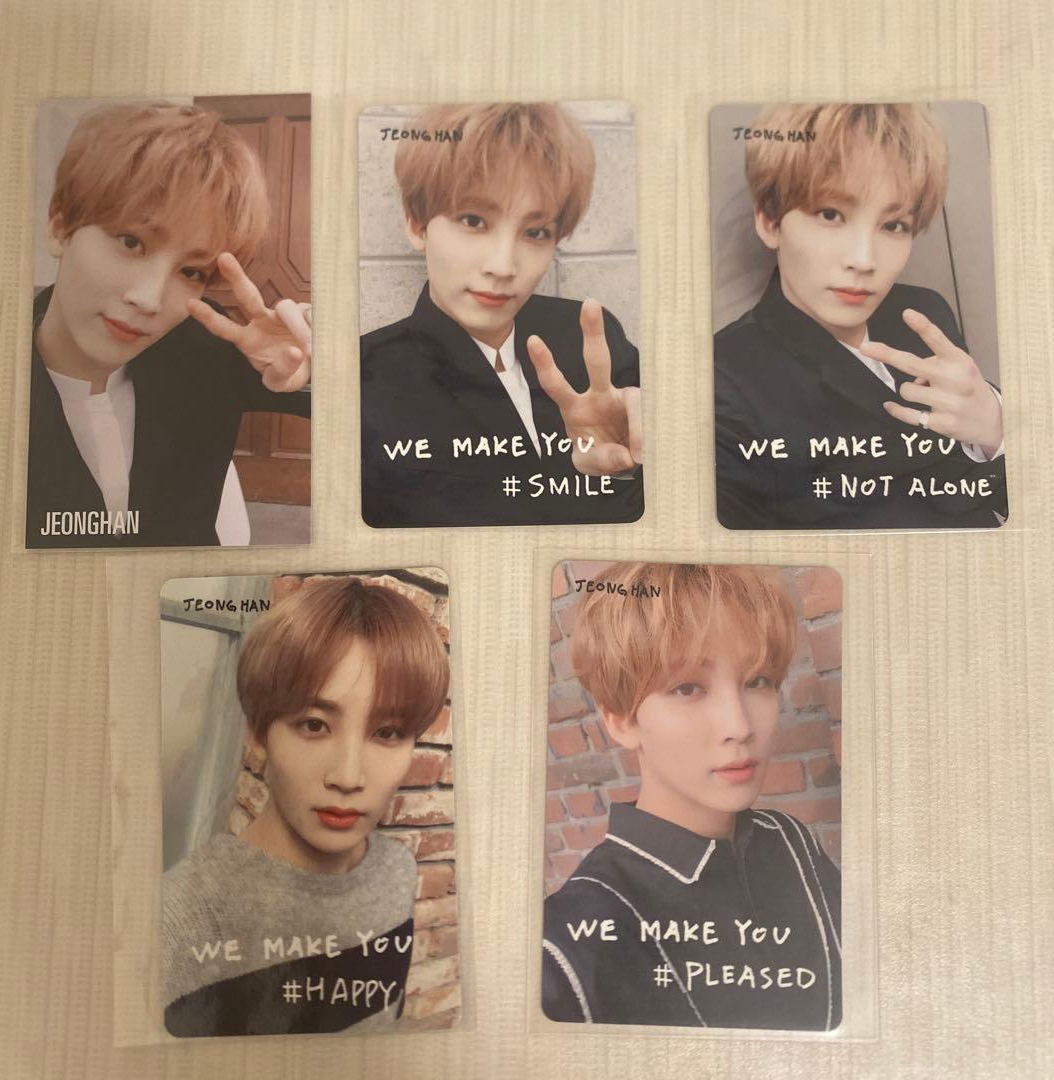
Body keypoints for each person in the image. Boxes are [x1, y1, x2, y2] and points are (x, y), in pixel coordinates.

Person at [542, 562, 841, 1030]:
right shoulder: (566, 949)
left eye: (757, 681)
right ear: (621, 719)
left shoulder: (791, 841)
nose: (739, 726)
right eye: (687, 688)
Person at [162, 577, 449, 1037]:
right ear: (258, 733)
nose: (348, 777)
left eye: (388, 732)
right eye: (314, 725)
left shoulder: (397, 871)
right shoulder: (178, 921)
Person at [27, 102, 312, 549]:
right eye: (131, 242)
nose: (150, 299)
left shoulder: (203, 346)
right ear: (60, 225)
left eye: (191, 271)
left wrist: (314, 360)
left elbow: (380, 409)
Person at [714, 102, 1006, 529]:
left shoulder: (924, 312)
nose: (864, 259)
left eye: (894, 225)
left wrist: (996, 428)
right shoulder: (723, 378)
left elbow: (1005, 500)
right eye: (830, 214)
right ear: (771, 221)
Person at [360, 101, 643, 527]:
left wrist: (627, 465)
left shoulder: (592, 341)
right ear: (417, 224)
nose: (504, 266)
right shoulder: (365, 374)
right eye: (473, 220)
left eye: (536, 232)